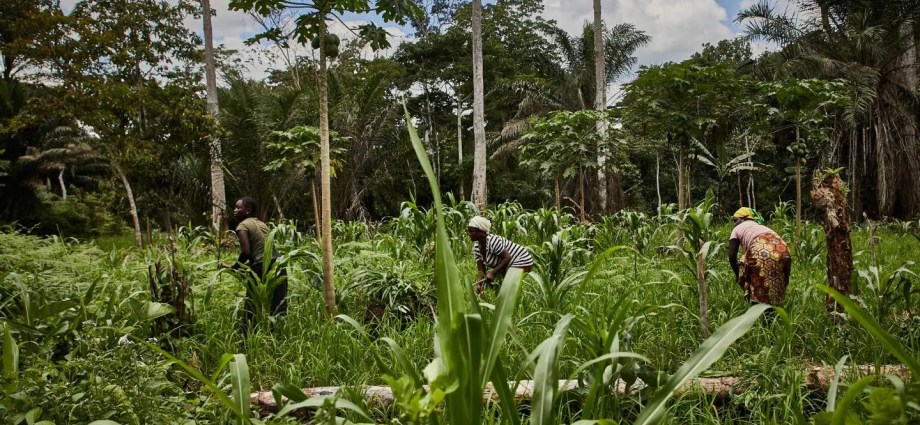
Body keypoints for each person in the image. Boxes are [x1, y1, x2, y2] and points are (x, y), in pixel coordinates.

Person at [231, 197, 287, 330]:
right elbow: (263, 250)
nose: (234, 210)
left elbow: (246, 252)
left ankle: (246, 338)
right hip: (278, 264)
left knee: (251, 304)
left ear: (248, 211)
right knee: (278, 305)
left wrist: (235, 267)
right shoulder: (262, 224)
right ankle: (277, 336)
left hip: (261, 267)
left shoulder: (242, 226)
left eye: (238, 207)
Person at [728, 207, 791, 306]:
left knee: (755, 283)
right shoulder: (762, 227)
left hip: (761, 250)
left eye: (736, 220)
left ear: (744, 218)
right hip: (782, 249)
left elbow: (732, 256)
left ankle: (760, 315)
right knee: (777, 283)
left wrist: (738, 275)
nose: (734, 224)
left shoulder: (736, 229)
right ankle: (777, 312)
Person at [467, 216, 533, 293]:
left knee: (509, 287)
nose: (469, 234)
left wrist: (492, 272)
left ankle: (518, 301)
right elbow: (481, 270)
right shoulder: (476, 248)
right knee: (506, 288)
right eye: (468, 231)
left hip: (522, 259)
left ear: (481, 231)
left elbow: (507, 257)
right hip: (509, 264)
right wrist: (479, 283)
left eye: (472, 231)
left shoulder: (492, 241)